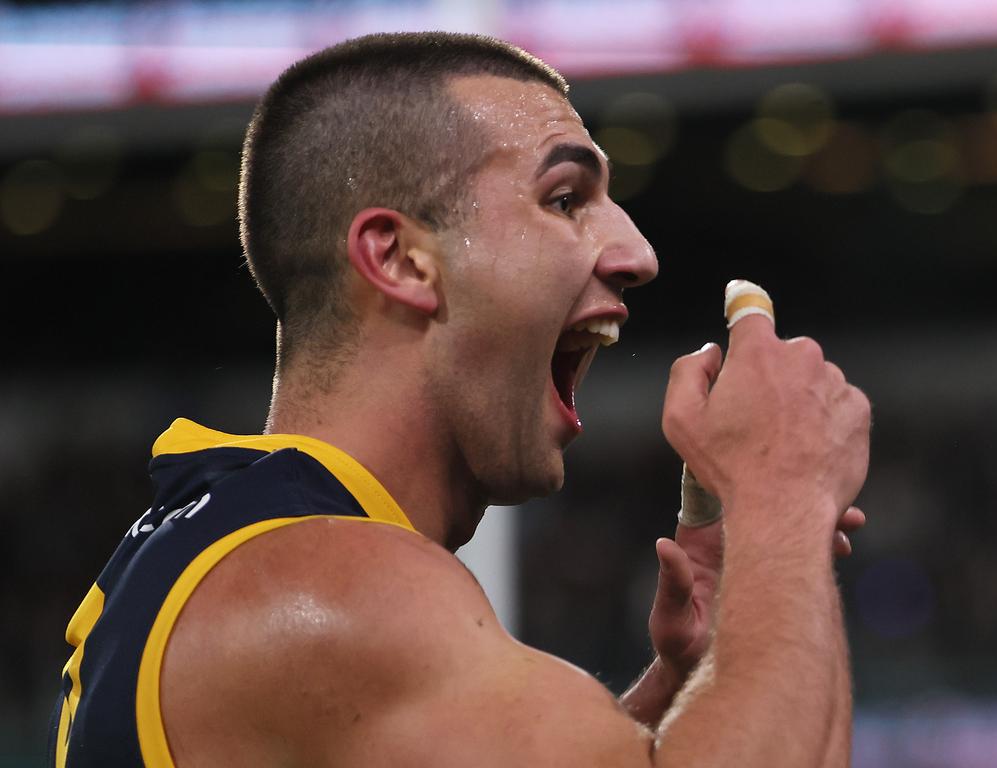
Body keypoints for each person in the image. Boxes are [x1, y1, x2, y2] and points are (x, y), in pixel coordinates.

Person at [48, 31, 870, 767]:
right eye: (564, 198)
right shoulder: (328, 583)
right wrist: (783, 492)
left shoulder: (229, 551)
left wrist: (692, 683)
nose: (637, 252)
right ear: (401, 260)